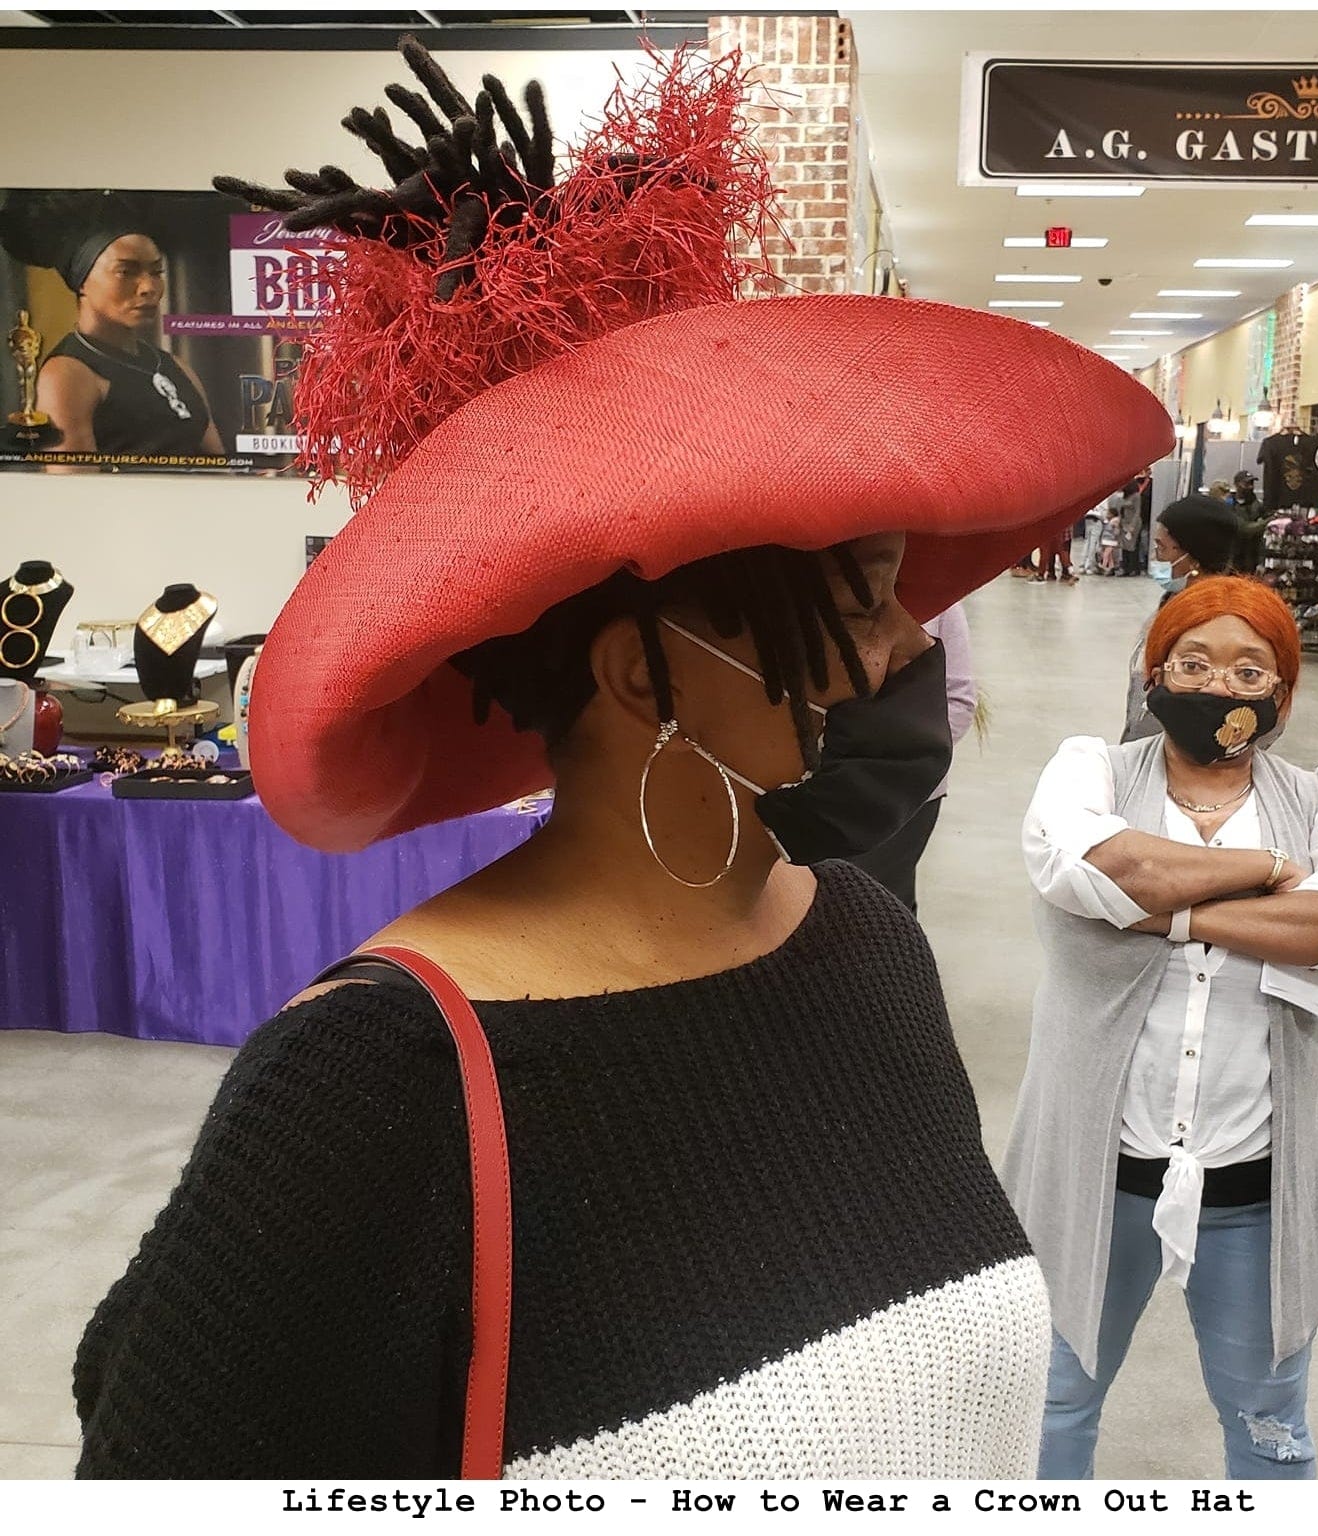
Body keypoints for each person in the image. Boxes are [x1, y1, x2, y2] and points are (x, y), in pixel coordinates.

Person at [69, 40, 1173, 1479]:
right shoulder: (378, 1085)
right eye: (842, 602)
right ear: (630, 661)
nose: (894, 650)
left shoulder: (864, 949)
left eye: (889, 595)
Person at [1004, 576, 1318, 1481]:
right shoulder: (1092, 771)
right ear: (1155, 672)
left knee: (1269, 1424)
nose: (1219, 688)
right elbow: (1086, 865)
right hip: (1096, 1166)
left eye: (1247, 670)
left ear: (1281, 694)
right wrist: (1268, 871)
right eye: (1193, 662)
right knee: (1054, 1398)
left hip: (1257, 1179)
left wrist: (1164, 910)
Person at [0, 191, 224, 463]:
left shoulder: (175, 366)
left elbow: (220, 467)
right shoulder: (68, 375)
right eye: (125, 272)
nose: (149, 288)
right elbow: (73, 493)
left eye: (156, 272)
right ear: (82, 281)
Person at [850, 602, 977, 914]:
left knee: (882, 902)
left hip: (909, 792)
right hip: (821, 786)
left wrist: (897, 760)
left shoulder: (941, 604)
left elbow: (959, 699)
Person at [1122, 494, 1247, 743]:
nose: (1157, 558)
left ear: (1192, 556)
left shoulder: (1223, 622)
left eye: (1162, 548)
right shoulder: (1172, 602)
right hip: (1145, 748)